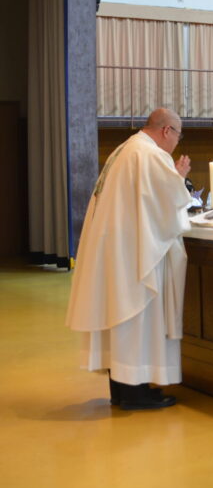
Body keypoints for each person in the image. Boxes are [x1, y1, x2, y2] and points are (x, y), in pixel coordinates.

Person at [65, 108, 192, 410]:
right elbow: (167, 202)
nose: (177, 142)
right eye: (179, 135)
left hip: (118, 251)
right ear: (166, 131)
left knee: (121, 321)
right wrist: (178, 178)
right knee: (136, 320)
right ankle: (134, 394)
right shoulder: (149, 155)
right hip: (135, 255)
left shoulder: (125, 149)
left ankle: (124, 391)